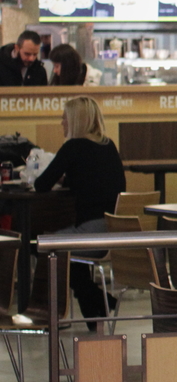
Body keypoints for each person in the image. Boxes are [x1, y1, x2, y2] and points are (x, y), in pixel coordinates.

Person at [33, 96, 127, 323]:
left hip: (92, 232)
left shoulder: (72, 147)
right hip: (116, 230)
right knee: (70, 256)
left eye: (64, 118)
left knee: (41, 246)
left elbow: (41, 185)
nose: (61, 123)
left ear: (75, 120)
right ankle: (95, 307)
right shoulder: (108, 145)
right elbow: (97, 180)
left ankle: (93, 299)